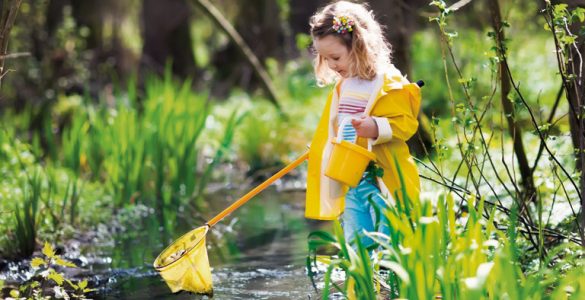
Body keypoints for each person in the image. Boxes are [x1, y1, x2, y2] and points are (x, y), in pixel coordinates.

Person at [304, 1, 421, 249]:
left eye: (335, 57)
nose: (332, 65)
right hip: (351, 178)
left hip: (382, 176)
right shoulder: (343, 86)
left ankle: (391, 280)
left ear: (358, 46)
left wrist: (377, 128)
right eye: (325, 59)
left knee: (389, 233)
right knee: (357, 237)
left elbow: (406, 124)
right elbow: (336, 128)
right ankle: (365, 281)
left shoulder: (386, 81)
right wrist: (322, 149)